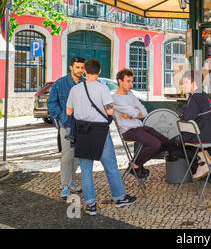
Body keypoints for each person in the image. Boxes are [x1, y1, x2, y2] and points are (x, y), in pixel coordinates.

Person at [66, 59, 136, 216]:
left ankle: (90, 205)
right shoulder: (102, 88)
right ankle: (119, 198)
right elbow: (110, 111)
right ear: (99, 72)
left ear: (85, 71)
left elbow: (69, 111)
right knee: (110, 166)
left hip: (82, 132)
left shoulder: (75, 89)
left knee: (85, 169)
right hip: (100, 132)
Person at [112, 68, 170, 179]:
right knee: (155, 144)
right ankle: (136, 165)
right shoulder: (115, 99)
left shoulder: (130, 95)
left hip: (139, 127)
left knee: (165, 143)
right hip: (128, 131)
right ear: (120, 81)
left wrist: (133, 113)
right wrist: (134, 112)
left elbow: (143, 112)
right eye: (128, 81)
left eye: (132, 81)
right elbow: (135, 112)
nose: (131, 84)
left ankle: (137, 164)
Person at [47, 56, 85, 200]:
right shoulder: (60, 83)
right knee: (67, 156)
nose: (80, 70)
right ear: (71, 67)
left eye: (82, 67)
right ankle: (65, 185)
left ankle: (70, 183)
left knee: (77, 156)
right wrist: (62, 117)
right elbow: (51, 103)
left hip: (82, 125)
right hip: (67, 125)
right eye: (77, 67)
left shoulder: (85, 83)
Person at [180, 69, 211, 179]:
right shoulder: (206, 96)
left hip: (201, 138)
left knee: (171, 144)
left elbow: (186, 118)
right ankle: (202, 159)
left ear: (194, 83)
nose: (184, 85)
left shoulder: (195, 97)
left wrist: (180, 116)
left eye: (186, 82)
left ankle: (202, 159)